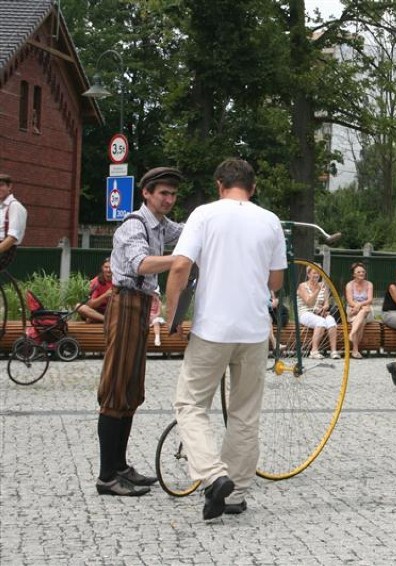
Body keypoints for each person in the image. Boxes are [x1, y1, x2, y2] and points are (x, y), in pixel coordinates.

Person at [167, 158, 287, 520]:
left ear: (220, 184)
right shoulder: (270, 221)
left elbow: (179, 266)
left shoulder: (204, 215)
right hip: (252, 331)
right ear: (253, 187)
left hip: (213, 329)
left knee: (190, 404)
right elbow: (276, 282)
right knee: (245, 413)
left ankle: (212, 474)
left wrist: (170, 314)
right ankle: (235, 494)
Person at [96, 166, 184, 497]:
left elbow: (191, 231)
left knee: (131, 389)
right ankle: (107, 475)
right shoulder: (134, 224)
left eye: (173, 195)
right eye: (163, 193)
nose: (169, 199)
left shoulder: (163, 225)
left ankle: (121, 467)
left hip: (141, 304)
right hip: (125, 303)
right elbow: (140, 264)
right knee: (116, 387)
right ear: (146, 193)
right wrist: (178, 259)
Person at [297, 266, 340, 359]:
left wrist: (324, 308)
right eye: (314, 273)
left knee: (331, 321)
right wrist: (317, 290)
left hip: (320, 313)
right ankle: (314, 351)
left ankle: (333, 351)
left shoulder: (323, 286)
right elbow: (309, 302)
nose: (317, 275)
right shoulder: (302, 286)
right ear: (308, 274)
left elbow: (327, 304)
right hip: (305, 313)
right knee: (320, 322)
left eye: (318, 273)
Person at [345, 262, 373, 359]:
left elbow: (370, 299)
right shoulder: (349, 285)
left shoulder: (369, 284)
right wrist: (357, 307)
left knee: (364, 311)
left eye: (363, 272)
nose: (361, 273)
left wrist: (360, 305)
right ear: (354, 274)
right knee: (361, 321)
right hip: (352, 309)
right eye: (359, 272)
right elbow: (349, 300)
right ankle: (355, 350)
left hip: (367, 310)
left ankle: (352, 334)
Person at [0, 172, 28, 270]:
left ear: (9, 186)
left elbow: (12, 237)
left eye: (1, 185)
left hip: (5, 250)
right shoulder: (1, 207)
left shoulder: (15, 206)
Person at [77, 258, 113, 323]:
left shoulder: (119, 281)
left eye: (111, 267)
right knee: (79, 307)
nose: (108, 270)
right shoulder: (96, 281)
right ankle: (105, 320)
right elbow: (91, 305)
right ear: (102, 268)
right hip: (97, 312)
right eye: (106, 267)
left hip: (113, 311)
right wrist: (105, 295)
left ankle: (97, 319)